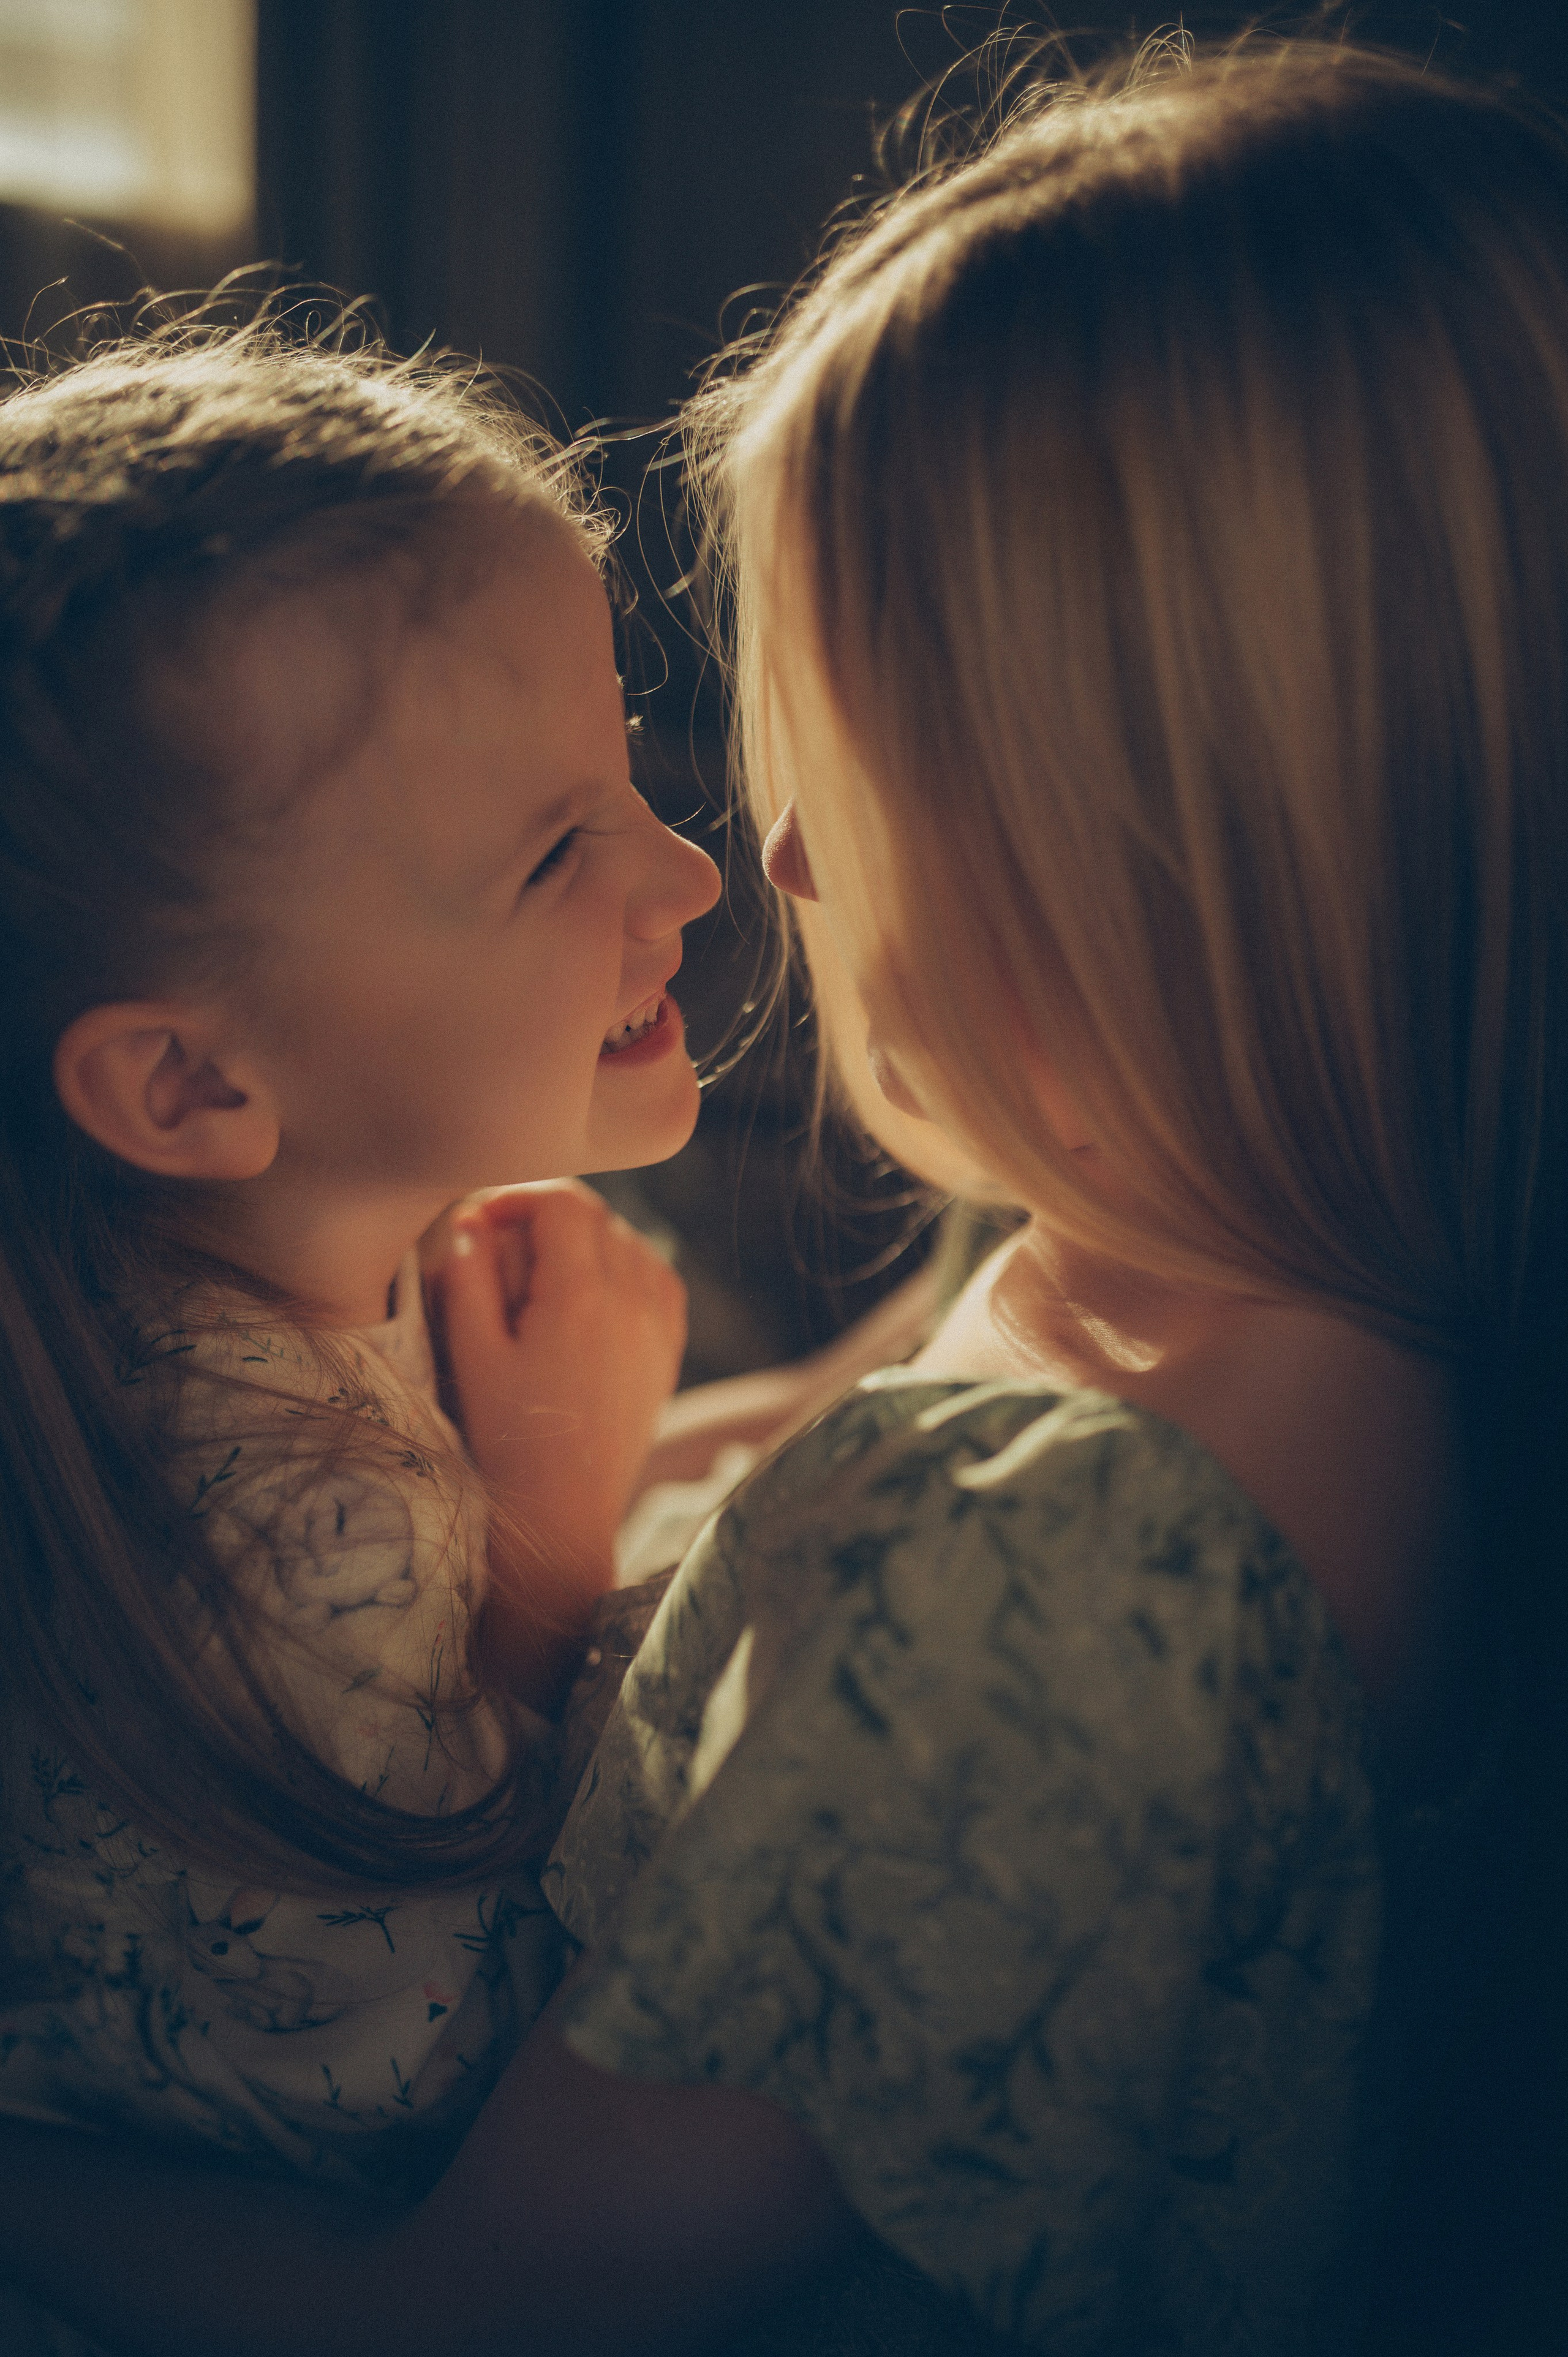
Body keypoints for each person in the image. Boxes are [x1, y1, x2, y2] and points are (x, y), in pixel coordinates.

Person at [0, 33, 1562, 2355]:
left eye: (859, 752)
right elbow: (786, 1485)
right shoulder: (1165, 1251)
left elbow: (463, 2320)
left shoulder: (1073, 1579)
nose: (778, 856)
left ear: (1160, 847)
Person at [0, 317, 722, 2322]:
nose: (686, 872)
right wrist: (553, 1528)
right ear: (189, 1086)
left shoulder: (265, 1243)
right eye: (554, 853)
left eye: (627, 768)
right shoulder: (275, 1525)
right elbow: (413, 2081)